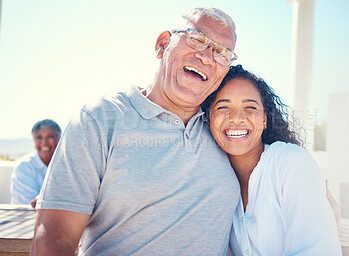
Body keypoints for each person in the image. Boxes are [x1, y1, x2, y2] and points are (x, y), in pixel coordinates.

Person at [31, 8, 241, 256]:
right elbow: (55, 240)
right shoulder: (99, 119)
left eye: (222, 53)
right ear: (163, 45)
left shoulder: (227, 131)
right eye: (197, 39)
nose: (207, 57)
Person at [202, 65, 342, 255]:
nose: (236, 118)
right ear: (209, 118)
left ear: (265, 120)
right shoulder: (211, 182)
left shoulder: (290, 162)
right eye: (223, 107)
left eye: (250, 108)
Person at [10, 119, 61, 206]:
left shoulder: (68, 165)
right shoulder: (24, 167)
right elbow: (28, 206)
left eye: (50, 137)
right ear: (34, 140)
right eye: (39, 137)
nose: (44, 143)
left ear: (60, 139)